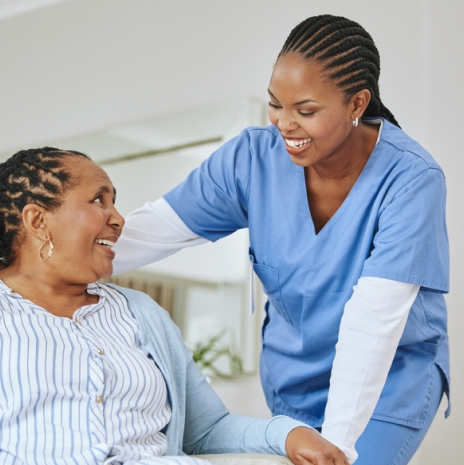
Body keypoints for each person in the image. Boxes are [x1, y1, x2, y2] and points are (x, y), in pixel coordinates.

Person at [112, 14, 450, 465]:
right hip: (293, 380)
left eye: (306, 111)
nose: (285, 124)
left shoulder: (411, 180)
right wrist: (44, 263)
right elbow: (153, 230)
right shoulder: (252, 158)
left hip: (387, 381)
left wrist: (339, 446)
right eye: (275, 105)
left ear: (357, 103)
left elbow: (375, 321)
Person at [0, 147, 350, 465]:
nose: (118, 218)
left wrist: (287, 434)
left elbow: (207, 429)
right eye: (98, 200)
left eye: (114, 202)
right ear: (38, 220)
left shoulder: (140, 312)